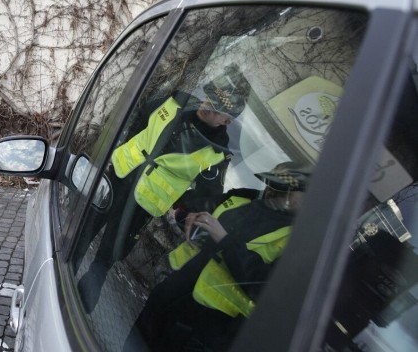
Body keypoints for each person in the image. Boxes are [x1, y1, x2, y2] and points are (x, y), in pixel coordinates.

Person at [78, 66, 249, 312]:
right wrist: (123, 145)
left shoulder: (216, 153)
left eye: (216, 108)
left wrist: (182, 206)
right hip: (117, 178)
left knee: (104, 260)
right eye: (210, 97)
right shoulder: (177, 101)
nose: (207, 105)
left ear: (226, 120)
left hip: (140, 206)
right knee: (82, 232)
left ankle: (80, 307)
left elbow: (206, 198)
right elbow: (141, 116)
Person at [134, 160, 312, 352]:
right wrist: (191, 217)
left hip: (207, 331)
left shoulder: (297, 244)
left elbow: (267, 287)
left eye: (286, 190)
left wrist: (226, 241)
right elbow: (194, 210)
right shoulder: (242, 199)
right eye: (273, 184)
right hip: (168, 296)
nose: (274, 191)